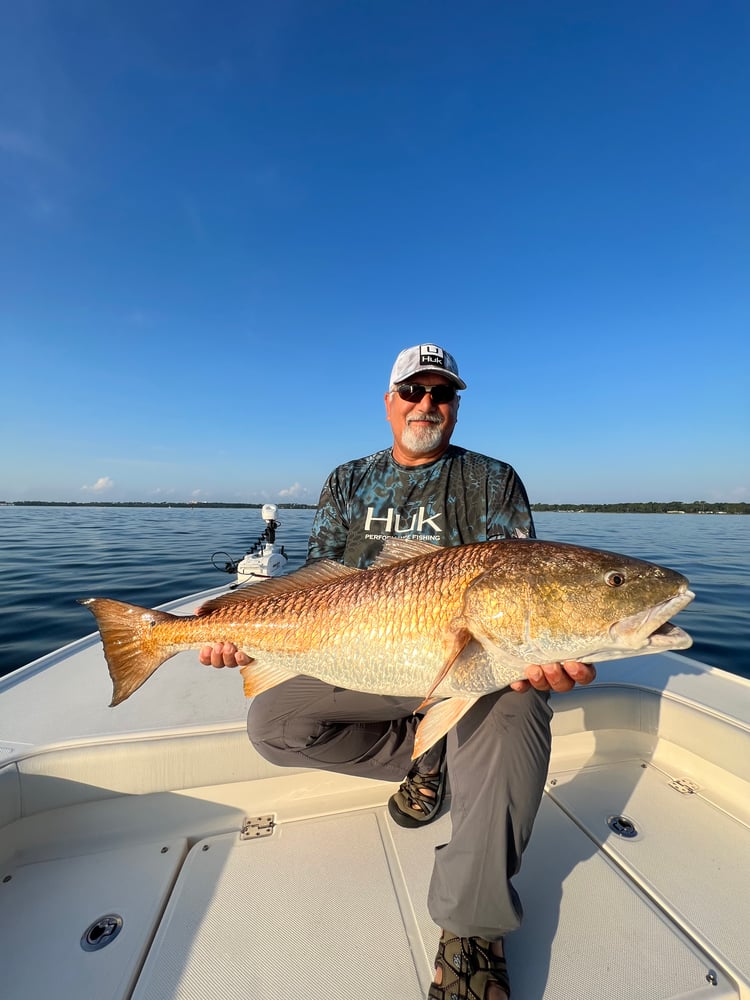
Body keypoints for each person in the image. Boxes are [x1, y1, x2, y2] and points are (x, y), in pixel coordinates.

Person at [200, 344, 595, 999]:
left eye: (442, 394)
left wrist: (539, 646)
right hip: (361, 649)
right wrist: (237, 625)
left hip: (472, 654)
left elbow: (526, 582)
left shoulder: (492, 482)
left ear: (457, 408)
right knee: (271, 723)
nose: (427, 404)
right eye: (413, 391)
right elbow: (315, 582)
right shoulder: (346, 481)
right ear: (389, 402)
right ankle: (423, 760)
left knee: (519, 697)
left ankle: (471, 928)